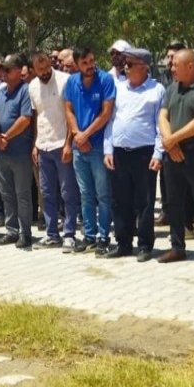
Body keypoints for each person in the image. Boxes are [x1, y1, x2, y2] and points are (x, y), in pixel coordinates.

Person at [105, 47, 165, 260]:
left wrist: (158, 154)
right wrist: (108, 149)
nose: (125, 69)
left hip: (144, 154)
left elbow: (160, 126)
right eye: (124, 64)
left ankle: (145, 245)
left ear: (143, 67)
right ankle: (123, 243)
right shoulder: (119, 88)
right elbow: (111, 121)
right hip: (120, 153)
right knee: (120, 200)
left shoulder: (156, 90)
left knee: (145, 201)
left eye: (129, 65)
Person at [158, 50, 194, 265]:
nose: (172, 69)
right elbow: (163, 116)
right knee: (173, 202)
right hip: (172, 152)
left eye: (176, 65)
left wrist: (172, 139)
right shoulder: (171, 89)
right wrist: (170, 141)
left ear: (191, 66)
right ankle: (177, 246)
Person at [64, 46, 116, 255]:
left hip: (98, 146)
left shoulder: (105, 80)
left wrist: (86, 134)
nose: (90, 66)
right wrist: (77, 134)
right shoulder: (72, 82)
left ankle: (104, 236)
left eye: (92, 61)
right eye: (84, 63)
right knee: (85, 194)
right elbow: (68, 110)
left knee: (103, 194)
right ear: (77, 64)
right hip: (79, 147)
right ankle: (89, 235)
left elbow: (106, 113)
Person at [27, 52, 79, 250]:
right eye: (40, 71)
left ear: (51, 64)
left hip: (62, 144)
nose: (44, 74)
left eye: (47, 69)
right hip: (43, 145)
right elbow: (36, 117)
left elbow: (71, 114)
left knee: (68, 192)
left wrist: (68, 144)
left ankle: (70, 233)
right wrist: (34, 144)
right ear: (34, 70)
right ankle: (51, 233)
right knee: (46, 192)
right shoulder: (32, 86)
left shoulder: (65, 81)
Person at [0, 54, 35, 249]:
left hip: (19, 153)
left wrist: (6, 137)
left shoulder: (25, 91)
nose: (3, 74)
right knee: (6, 193)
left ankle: (25, 233)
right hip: (1, 153)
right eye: (2, 70)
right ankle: (11, 230)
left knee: (22, 194)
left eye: (7, 70)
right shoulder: (0, 93)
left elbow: (25, 119)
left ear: (18, 71)